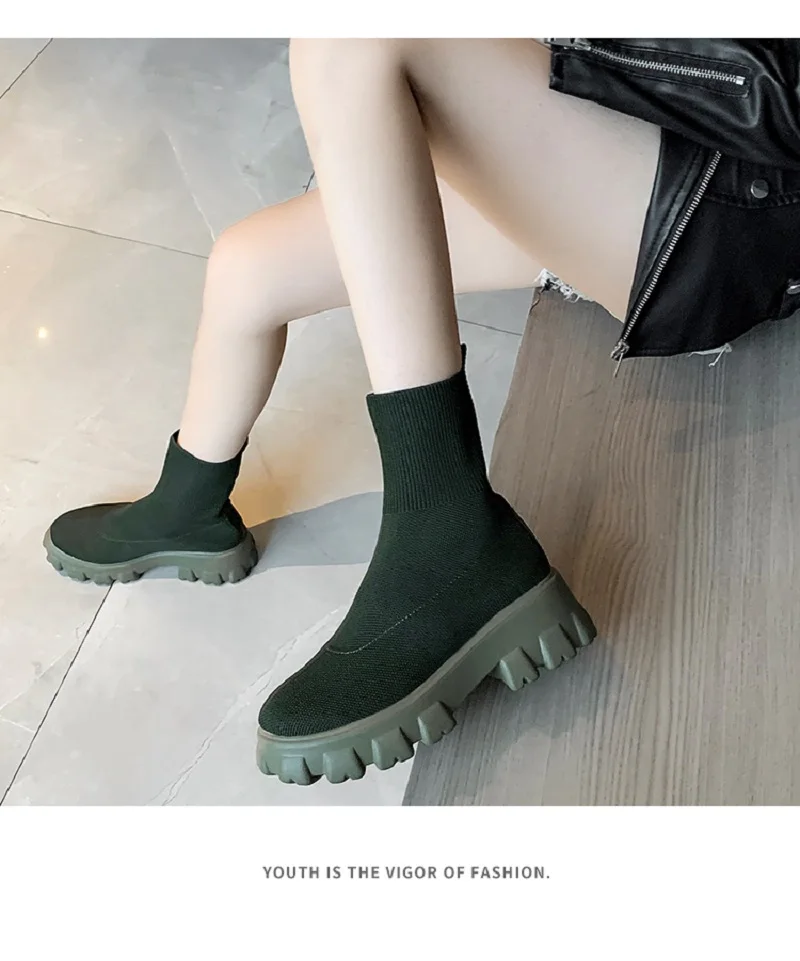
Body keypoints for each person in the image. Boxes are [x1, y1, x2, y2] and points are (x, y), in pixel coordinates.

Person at [44, 40, 800, 785]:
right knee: (248, 266)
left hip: (731, 179)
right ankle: (188, 506)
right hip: (620, 130)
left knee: (350, 40)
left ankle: (443, 521)